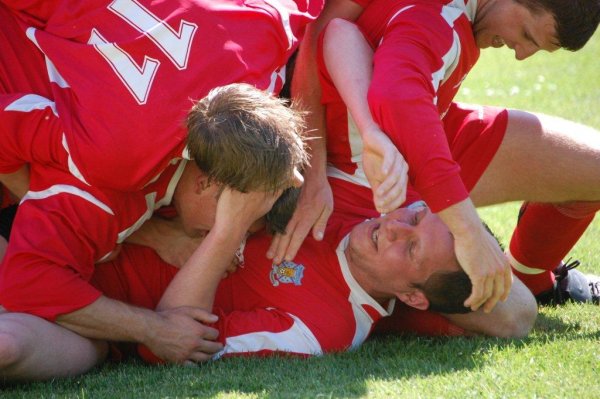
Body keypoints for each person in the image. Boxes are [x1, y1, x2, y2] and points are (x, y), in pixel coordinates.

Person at [0, 83, 308, 381]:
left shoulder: (215, 117)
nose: (236, 242)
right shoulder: (111, 182)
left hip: (50, 277)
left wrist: (313, 172)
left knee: (38, 348)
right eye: (236, 217)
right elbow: (30, 283)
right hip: (20, 249)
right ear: (206, 184)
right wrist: (154, 329)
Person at [312, 0, 600, 312]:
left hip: (408, 139)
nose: (521, 54)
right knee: (510, 313)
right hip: (355, 170)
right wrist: (467, 231)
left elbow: (337, 34)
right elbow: (396, 97)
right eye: (527, 35)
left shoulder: (463, 18)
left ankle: (533, 278)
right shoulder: (441, 16)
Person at [88, 177, 536, 365]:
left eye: (412, 248)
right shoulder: (375, 193)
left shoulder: (318, 329)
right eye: (415, 217)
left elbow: (170, 340)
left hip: (85, 289)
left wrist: (229, 231)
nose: (394, 227)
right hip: (92, 197)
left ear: (414, 298)